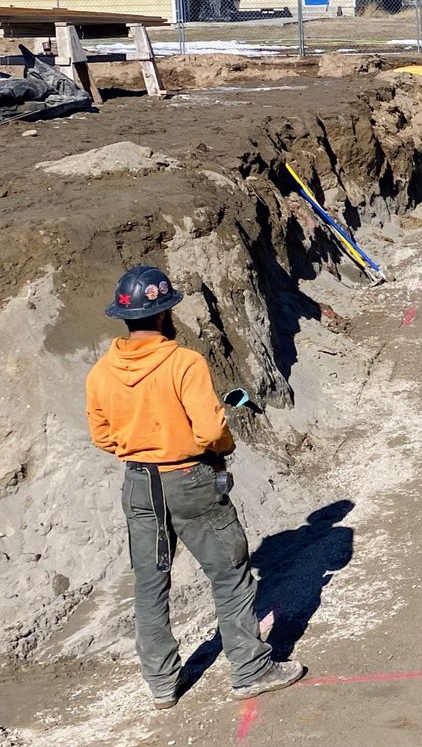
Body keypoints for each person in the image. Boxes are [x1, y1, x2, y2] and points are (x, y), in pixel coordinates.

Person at [86, 265, 304, 709]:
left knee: (150, 582)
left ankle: (163, 683)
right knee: (229, 571)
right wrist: (222, 444)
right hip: (189, 477)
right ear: (165, 313)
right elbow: (210, 431)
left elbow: (103, 437)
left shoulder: (102, 372)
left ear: (124, 317)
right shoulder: (183, 363)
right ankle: (250, 668)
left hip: (139, 482)